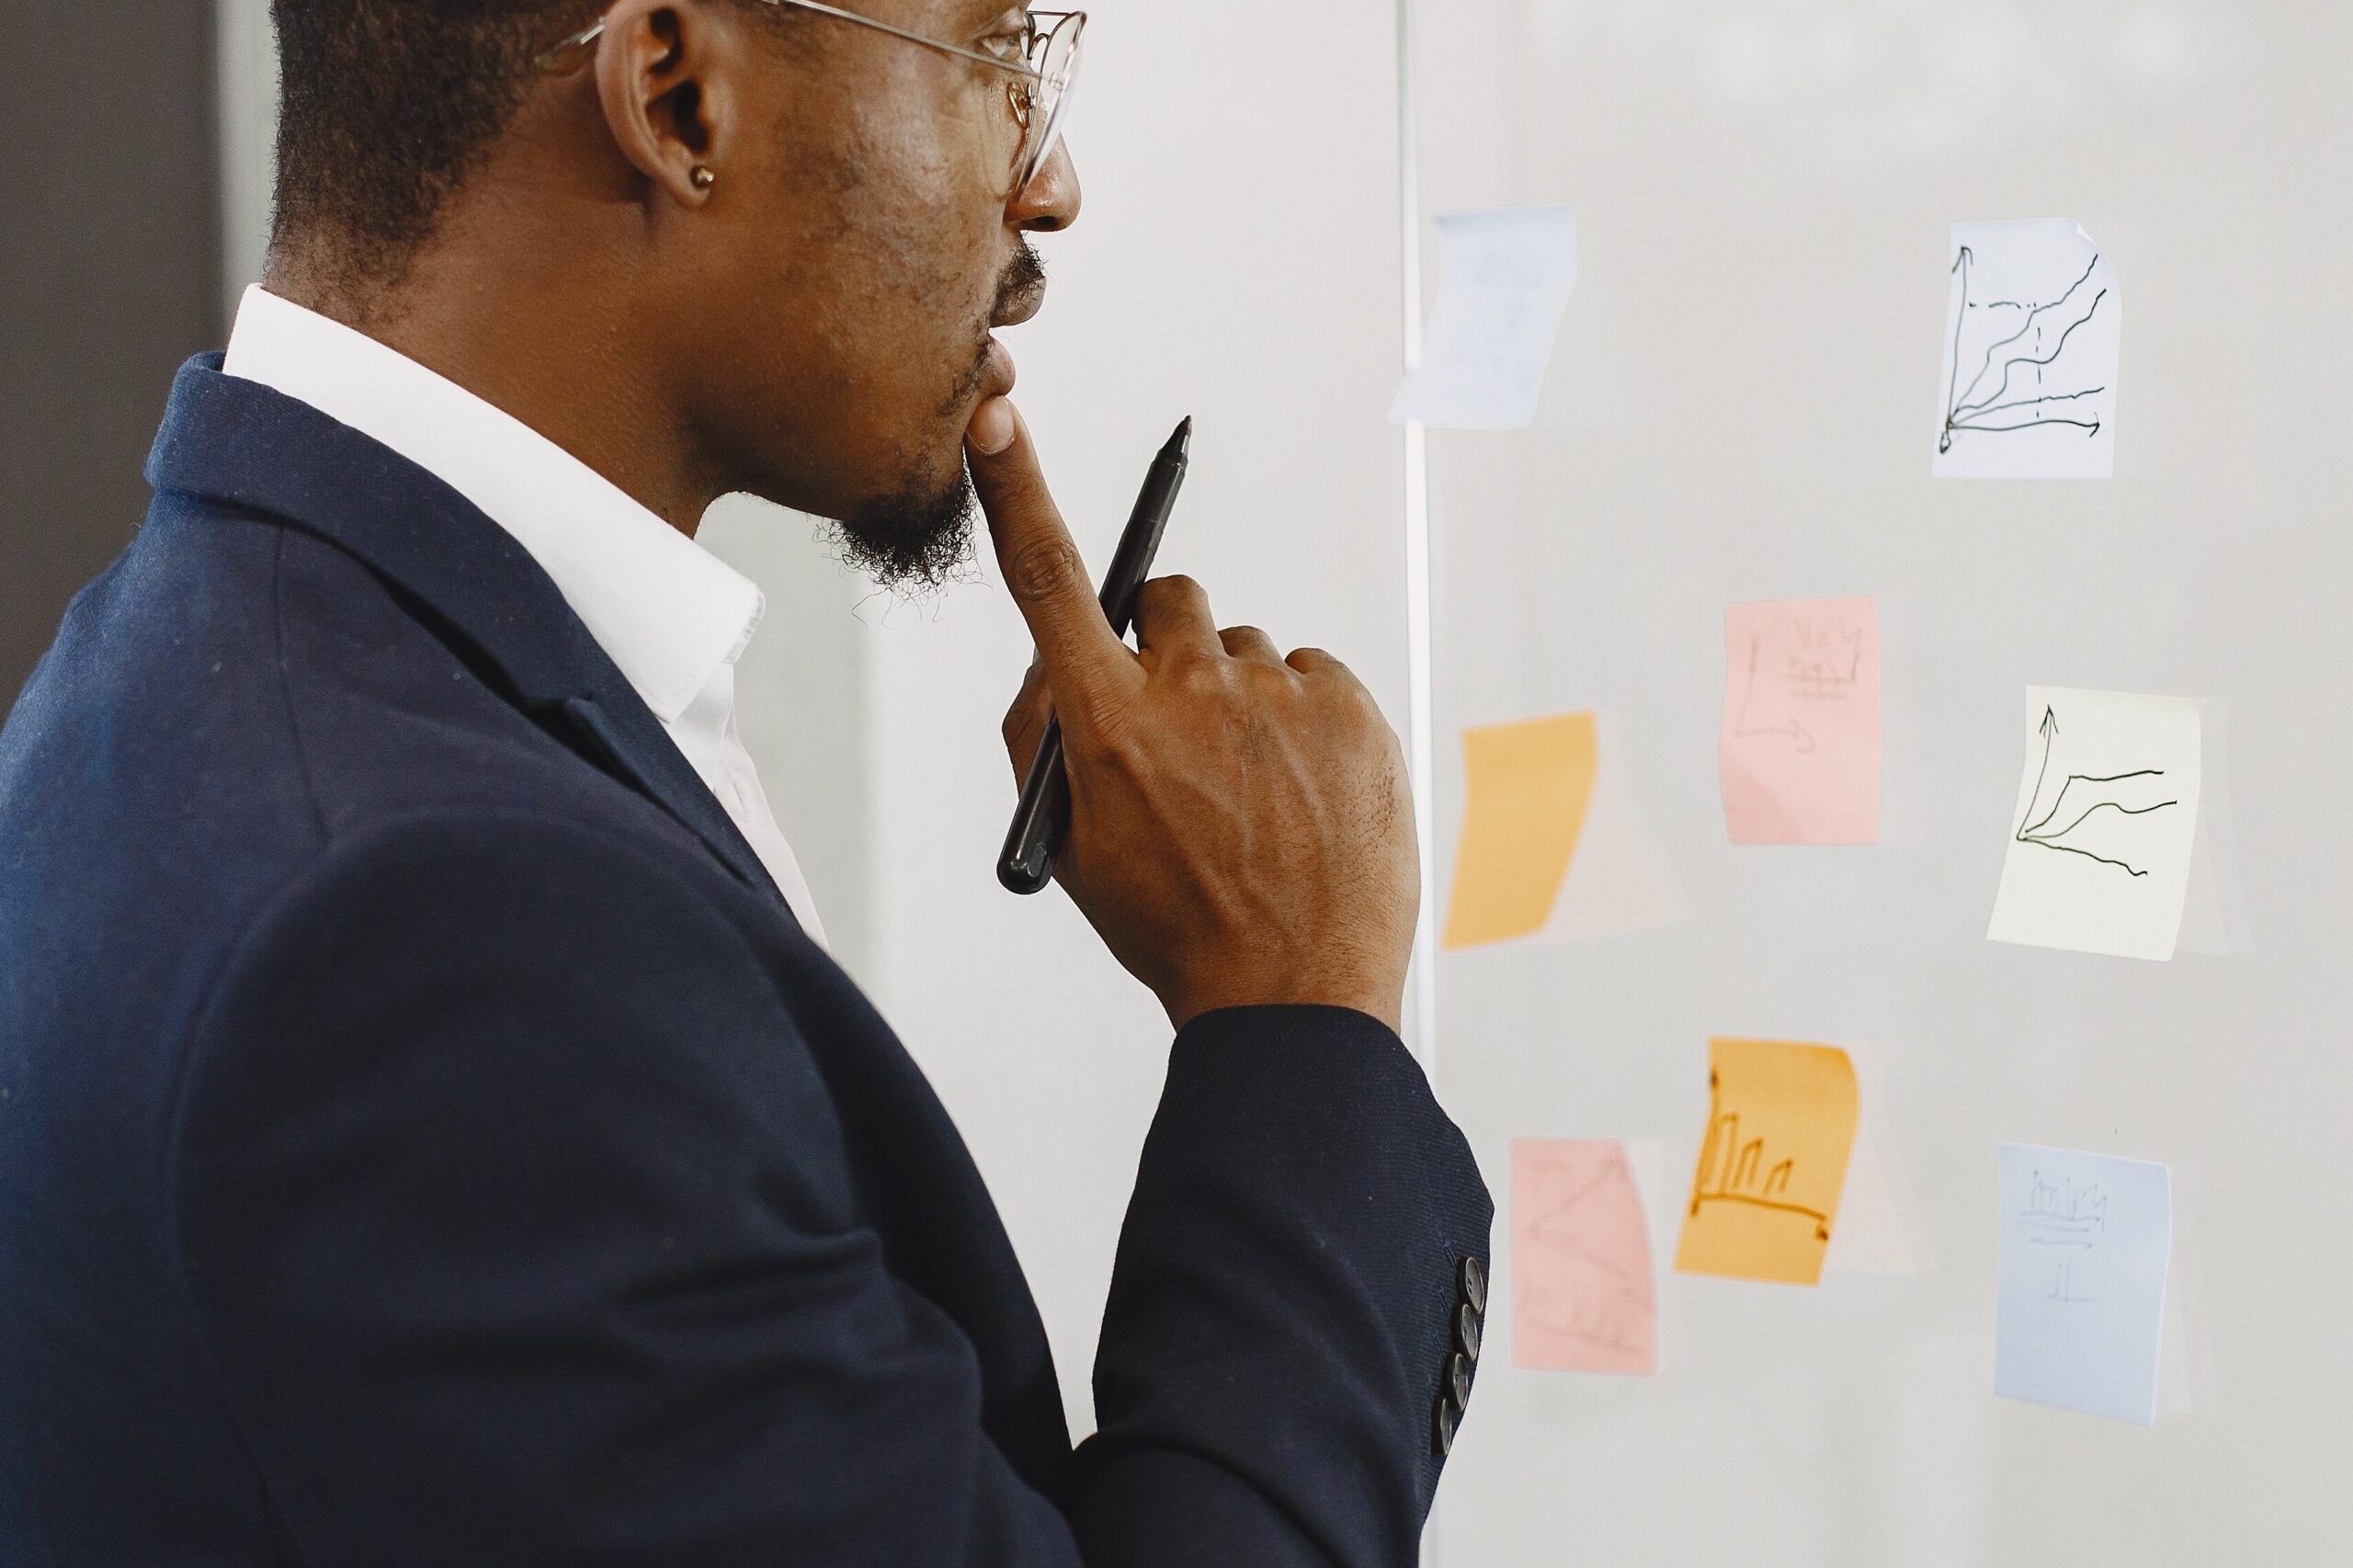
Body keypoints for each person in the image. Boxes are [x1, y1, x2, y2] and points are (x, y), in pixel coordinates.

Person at [0, 2, 1491, 1562]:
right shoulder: (449, 937)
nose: (1051, 185)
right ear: (677, 94)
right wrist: (1299, 1011)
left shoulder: (207, 660)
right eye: (1000, 54)